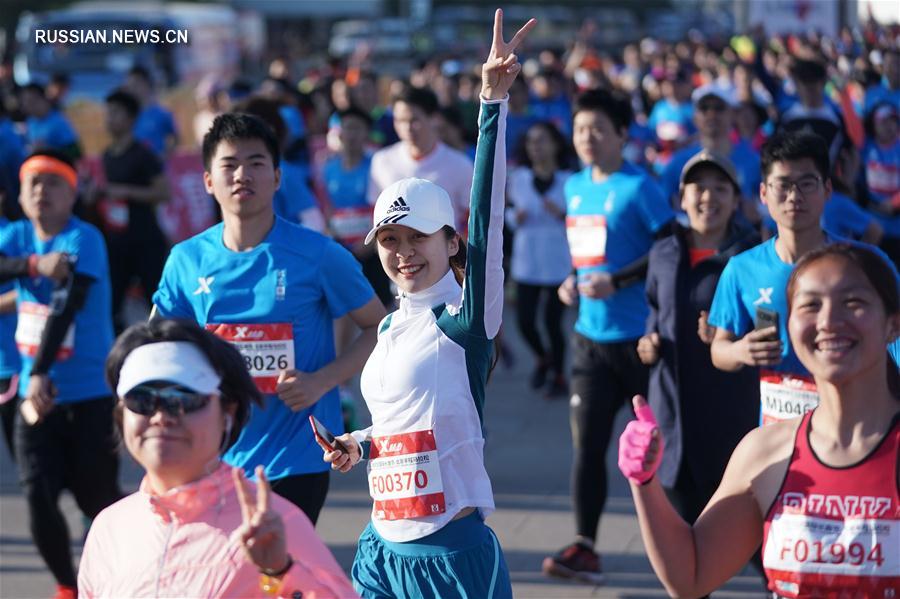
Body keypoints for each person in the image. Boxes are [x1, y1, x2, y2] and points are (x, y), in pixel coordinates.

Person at [317, 11, 535, 597]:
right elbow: (398, 425)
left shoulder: (464, 321)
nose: (403, 252)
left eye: (418, 237)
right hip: (379, 549)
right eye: (391, 240)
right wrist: (358, 444)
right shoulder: (388, 327)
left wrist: (492, 106)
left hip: (451, 557)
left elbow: (487, 220)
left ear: (450, 241)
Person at [618, 243, 900, 599]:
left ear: (893, 323)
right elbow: (691, 575)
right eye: (810, 304)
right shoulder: (765, 451)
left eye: (853, 302)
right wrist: (644, 482)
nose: (829, 321)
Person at [151, 111, 385, 524]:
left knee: (272, 578)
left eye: (256, 163)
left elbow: (379, 328)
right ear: (208, 181)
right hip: (211, 454)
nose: (243, 174)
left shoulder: (319, 254)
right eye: (229, 164)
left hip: (297, 457)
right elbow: (156, 345)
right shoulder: (185, 260)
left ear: (278, 178)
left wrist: (322, 381)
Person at [78, 318, 358, 598]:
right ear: (121, 415)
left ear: (228, 413)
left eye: (185, 399)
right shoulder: (109, 527)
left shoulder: (278, 523)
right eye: (142, 400)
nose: (161, 417)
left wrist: (280, 572)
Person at [543, 88, 675, 583]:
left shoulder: (640, 188)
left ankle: (677, 540)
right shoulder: (574, 187)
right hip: (588, 341)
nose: (588, 138)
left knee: (658, 450)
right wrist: (572, 282)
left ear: (623, 133)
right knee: (589, 447)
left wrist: (617, 281)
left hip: (640, 342)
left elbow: (670, 248)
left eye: (599, 129)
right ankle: (585, 545)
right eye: (580, 130)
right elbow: (588, 254)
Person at [0, 149, 121, 599]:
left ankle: (114, 577)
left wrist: (41, 371)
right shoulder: (15, 237)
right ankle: (67, 586)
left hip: (88, 394)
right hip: (36, 398)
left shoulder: (83, 238)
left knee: (98, 501)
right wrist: (31, 265)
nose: (41, 192)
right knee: (36, 494)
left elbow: (65, 307)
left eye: (53, 183)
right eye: (33, 183)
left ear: (72, 194)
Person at [708, 131, 892, 425]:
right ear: (763, 194)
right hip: (778, 429)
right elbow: (719, 350)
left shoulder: (867, 264)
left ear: (828, 190)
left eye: (807, 184)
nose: (795, 196)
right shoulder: (741, 269)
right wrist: (741, 350)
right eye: (783, 185)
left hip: (856, 422)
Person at [638, 151, 760, 531]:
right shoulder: (663, 252)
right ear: (681, 198)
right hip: (674, 425)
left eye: (720, 188)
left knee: (751, 543)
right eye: (699, 188)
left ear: (736, 200)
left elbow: (770, 329)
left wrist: (731, 338)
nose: (709, 197)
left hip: (731, 426)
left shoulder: (753, 258)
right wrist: (648, 342)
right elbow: (654, 312)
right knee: (687, 551)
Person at [88, 89, 170, 332]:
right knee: (112, 303)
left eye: (116, 113)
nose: (109, 119)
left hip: (145, 239)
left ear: (132, 118)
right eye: (108, 113)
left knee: (157, 302)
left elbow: (164, 193)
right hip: (116, 241)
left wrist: (125, 192)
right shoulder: (105, 156)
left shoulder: (143, 154)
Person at [506, 120, 572, 397]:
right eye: (532, 141)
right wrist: (514, 218)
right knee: (524, 321)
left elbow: (581, 221)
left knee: (553, 322)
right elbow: (506, 214)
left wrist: (562, 215)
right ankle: (542, 358)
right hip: (527, 260)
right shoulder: (518, 178)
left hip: (558, 261)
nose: (536, 147)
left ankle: (557, 373)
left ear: (555, 144)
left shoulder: (569, 181)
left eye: (542, 140)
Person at [368, 86, 474, 235]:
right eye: (399, 120)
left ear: (434, 118)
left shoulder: (460, 164)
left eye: (414, 120)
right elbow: (375, 211)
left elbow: (471, 218)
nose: (407, 128)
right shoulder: (381, 160)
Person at [124, 65, 178, 157]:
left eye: (135, 85)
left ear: (146, 84)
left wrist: (164, 157)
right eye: (129, 86)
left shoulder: (162, 114)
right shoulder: (127, 116)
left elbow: (174, 138)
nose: (132, 90)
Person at [18, 83, 81, 160]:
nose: (26, 105)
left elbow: (76, 152)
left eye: (31, 101)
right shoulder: (30, 122)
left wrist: (48, 150)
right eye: (24, 102)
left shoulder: (58, 122)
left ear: (42, 99)